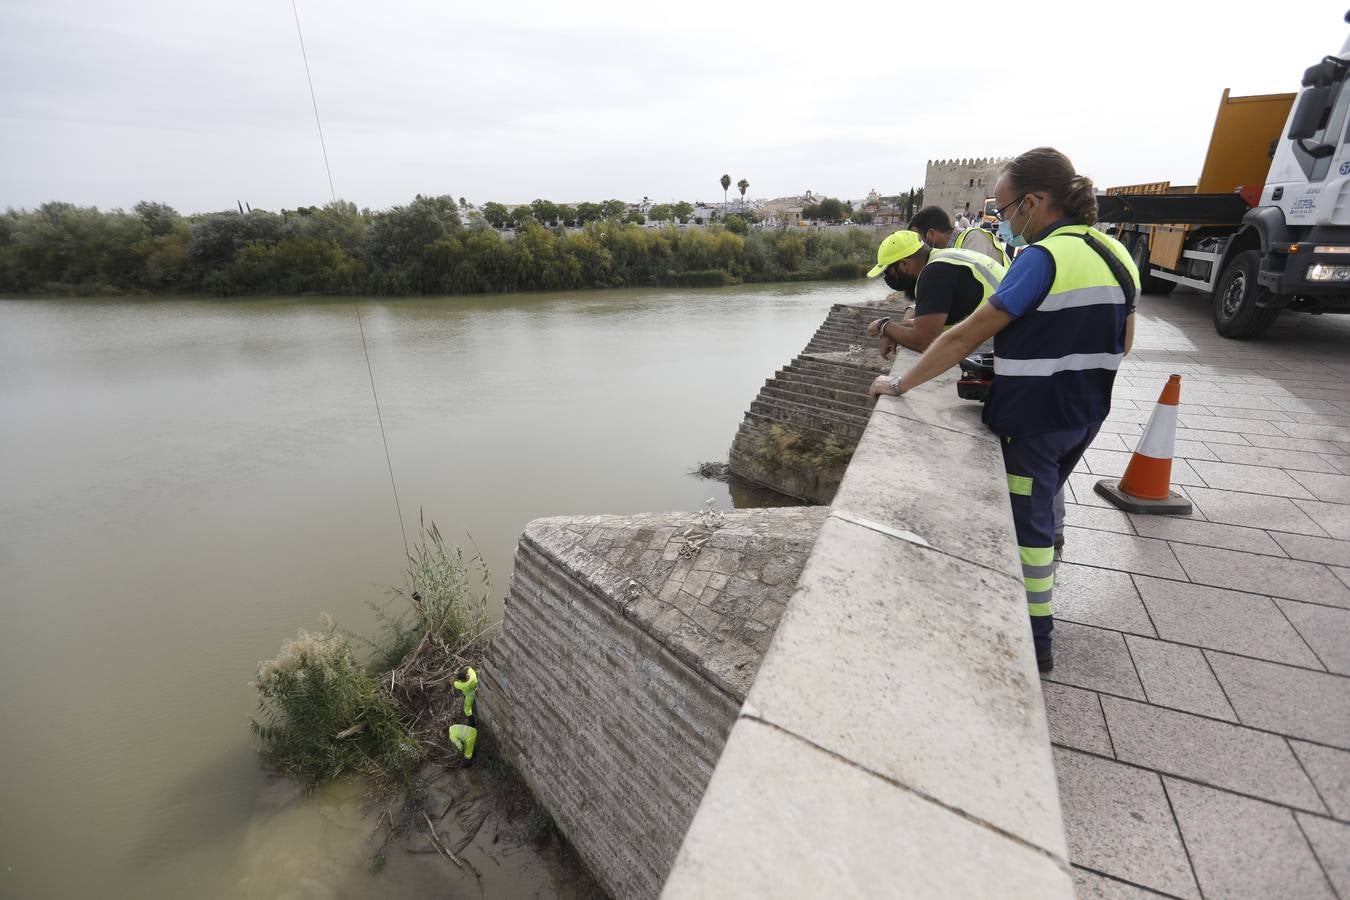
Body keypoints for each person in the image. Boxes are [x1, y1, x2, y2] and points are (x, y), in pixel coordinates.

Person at [870, 148, 1137, 673]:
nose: (1004, 218)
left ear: (1034, 203)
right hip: (1087, 413)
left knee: (1028, 528)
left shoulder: (1042, 259)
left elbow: (966, 333)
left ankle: (1035, 640)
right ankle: (1040, 589)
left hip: (1033, 416)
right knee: (1046, 505)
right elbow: (1124, 341)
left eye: (1007, 205)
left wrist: (901, 383)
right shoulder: (1117, 254)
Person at [863, 229, 1006, 354]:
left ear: (904, 264)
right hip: (1004, 328)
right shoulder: (942, 259)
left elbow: (923, 341)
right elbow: (928, 325)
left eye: (888, 273)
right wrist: (895, 331)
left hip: (1000, 339)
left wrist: (883, 326)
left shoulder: (933, 274)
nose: (888, 279)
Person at [909, 205, 1009, 266]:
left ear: (931, 234)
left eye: (919, 239)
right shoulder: (948, 252)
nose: (918, 246)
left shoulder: (974, 239)